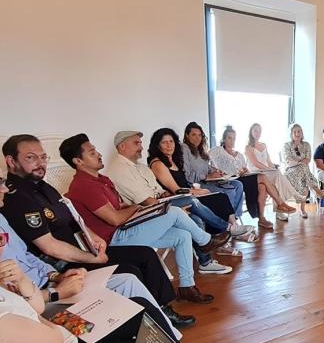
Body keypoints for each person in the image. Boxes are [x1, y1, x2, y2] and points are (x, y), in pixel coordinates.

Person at [0, 135, 193, 324]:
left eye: (43, 157)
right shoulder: (17, 198)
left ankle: (162, 310)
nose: (40, 163)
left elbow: (74, 218)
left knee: (145, 254)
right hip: (65, 263)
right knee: (130, 270)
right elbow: (49, 246)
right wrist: (91, 258)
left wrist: (94, 238)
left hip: (85, 250)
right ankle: (143, 320)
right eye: (31, 157)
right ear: (11, 161)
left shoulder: (43, 187)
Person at [0, 257, 235, 343]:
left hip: (62, 332)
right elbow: (54, 342)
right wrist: (53, 318)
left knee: (139, 307)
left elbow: (37, 308)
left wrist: (22, 281)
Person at [60, 134, 230, 304]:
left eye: (96, 150)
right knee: (174, 212)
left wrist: (139, 209)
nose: (99, 154)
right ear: (78, 161)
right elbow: (114, 219)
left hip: (127, 227)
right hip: (114, 239)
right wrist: (137, 207)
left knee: (182, 235)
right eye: (92, 153)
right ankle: (205, 241)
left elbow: (120, 206)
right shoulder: (84, 186)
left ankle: (187, 287)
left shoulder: (101, 180)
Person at [104, 131, 233, 276]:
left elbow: (160, 191)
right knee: (192, 201)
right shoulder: (119, 169)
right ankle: (225, 229)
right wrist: (172, 208)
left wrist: (167, 197)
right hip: (144, 214)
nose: (141, 147)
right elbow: (146, 201)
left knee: (195, 216)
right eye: (136, 143)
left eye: (140, 143)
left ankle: (205, 262)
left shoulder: (141, 167)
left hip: (159, 204)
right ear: (122, 146)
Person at [148, 127, 256, 241]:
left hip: (188, 192)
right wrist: (198, 191)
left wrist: (213, 173)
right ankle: (230, 229)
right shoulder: (158, 164)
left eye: (171, 141)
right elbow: (177, 189)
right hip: (180, 197)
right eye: (164, 142)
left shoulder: (174, 160)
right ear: (157, 145)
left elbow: (186, 180)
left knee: (222, 196)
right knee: (219, 198)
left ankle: (232, 230)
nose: (169, 145)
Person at [209, 125, 295, 229]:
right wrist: (214, 171)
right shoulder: (218, 151)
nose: (232, 141)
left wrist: (244, 170)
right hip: (230, 180)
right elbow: (208, 159)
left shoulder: (239, 155)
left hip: (241, 177)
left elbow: (244, 169)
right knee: (262, 176)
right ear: (224, 139)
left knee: (262, 186)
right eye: (229, 138)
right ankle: (280, 203)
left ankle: (262, 219)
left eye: (234, 138)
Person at [181, 121, 246, 222]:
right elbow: (187, 176)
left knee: (238, 184)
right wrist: (207, 176)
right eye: (194, 135)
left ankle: (234, 217)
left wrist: (217, 171)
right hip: (197, 184)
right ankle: (228, 221)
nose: (197, 138)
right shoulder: (184, 149)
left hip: (209, 181)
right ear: (187, 135)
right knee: (228, 191)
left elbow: (206, 167)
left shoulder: (199, 150)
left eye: (199, 135)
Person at [244, 123, 304, 221]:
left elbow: (268, 161)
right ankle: (293, 196)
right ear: (251, 132)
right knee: (276, 174)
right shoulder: (248, 147)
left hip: (265, 172)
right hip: (254, 173)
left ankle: (279, 210)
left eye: (259, 131)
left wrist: (272, 168)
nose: (257, 133)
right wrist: (269, 169)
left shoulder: (263, 145)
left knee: (277, 175)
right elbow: (256, 163)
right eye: (255, 130)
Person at [282, 123, 324, 218]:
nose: (297, 134)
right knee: (303, 170)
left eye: (299, 131)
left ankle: (302, 209)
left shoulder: (306, 145)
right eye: (294, 132)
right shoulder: (287, 145)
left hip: (303, 173)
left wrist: (297, 162)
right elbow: (289, 161)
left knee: (303, 175)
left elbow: (308, 160)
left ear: (302, 133)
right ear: (291, 134)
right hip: (291, 171)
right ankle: (314, 188)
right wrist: (300, 162)